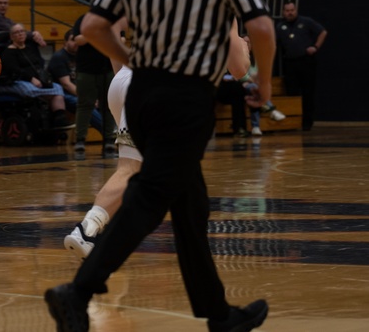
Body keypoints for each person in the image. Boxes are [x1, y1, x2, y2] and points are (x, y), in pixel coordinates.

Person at [44, 0, 276, 332]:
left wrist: (134, 62)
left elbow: (93, 26)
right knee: (150, 196)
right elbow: (261, 27)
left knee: (192, 207)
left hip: (141, 94)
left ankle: (219, 314)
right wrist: (263, 85)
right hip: (186, 99)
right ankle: (77, 291)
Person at [64, 20, 252, 260]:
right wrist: (244, 50)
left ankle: (182, 244)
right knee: (132, 170)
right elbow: (239, 69)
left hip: (125, 78)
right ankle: (86, 230)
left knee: (169, 173)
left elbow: (103, 26)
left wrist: (122, 68)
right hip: (160, 88)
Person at [0, 23, 73, 129]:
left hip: (37, 79)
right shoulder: (8, 52)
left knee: (57, 88)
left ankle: (59, 118)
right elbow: (14, 70)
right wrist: (31, 78)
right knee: (30, 89)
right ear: (11, 36)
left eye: (22, 31)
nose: (20, 34)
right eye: (16, 32)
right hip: (17, 80)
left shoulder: (30, 48)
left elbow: (39, 63)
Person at [276, 0, 327, 131]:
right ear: (283, 12)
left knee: (308, 93)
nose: (290, 13)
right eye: (287, 11)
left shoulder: (306, 21)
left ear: (296, 10)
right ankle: (293, 122)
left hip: (306, 61)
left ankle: (307, 122)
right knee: (292, 92)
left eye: (292, 10)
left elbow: (323, 32)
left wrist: (315, 47)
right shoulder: (280, 27)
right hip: (290, 62)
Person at [71, 12, 115, 158]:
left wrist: (91, 35)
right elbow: (78, 40)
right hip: (86, 70)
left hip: (107, 69)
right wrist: (99, 35)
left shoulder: (112, 19)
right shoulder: (83, 19)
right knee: (84, 105)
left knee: (108, 105)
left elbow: (119, 39)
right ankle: (80, 140)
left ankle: (109, 138)